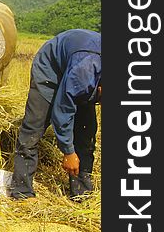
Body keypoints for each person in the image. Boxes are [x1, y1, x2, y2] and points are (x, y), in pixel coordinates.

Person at [9, 28, 101, 201]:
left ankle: (82, 193)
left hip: (78, 67)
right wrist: (68, 152)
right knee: (32, 130)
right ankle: (22, 192)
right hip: (50, 72)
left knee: (86, 133)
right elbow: (62, 110)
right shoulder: (86, 69)